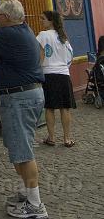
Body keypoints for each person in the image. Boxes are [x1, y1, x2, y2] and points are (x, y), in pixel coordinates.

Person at [0, 0, 47, 218]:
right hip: (27, 94)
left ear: (5, 18)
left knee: (23, 152)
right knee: (19, 148)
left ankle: (35, 205)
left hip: (19, 98)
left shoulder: (8, 34)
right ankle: (26, 192)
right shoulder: (26, 31)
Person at [36, 10, 75, 148]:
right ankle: (67, 138)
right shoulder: (63, 37)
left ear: (51, 21)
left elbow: (40, 57)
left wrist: (38, 71)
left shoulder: (42, 35)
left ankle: (51, 138)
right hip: (63, 74)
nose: (41, 20)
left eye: (43, 18)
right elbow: (70, 56)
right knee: (65, 108)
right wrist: (64, 67)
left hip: (48, 74)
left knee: (50, 107)